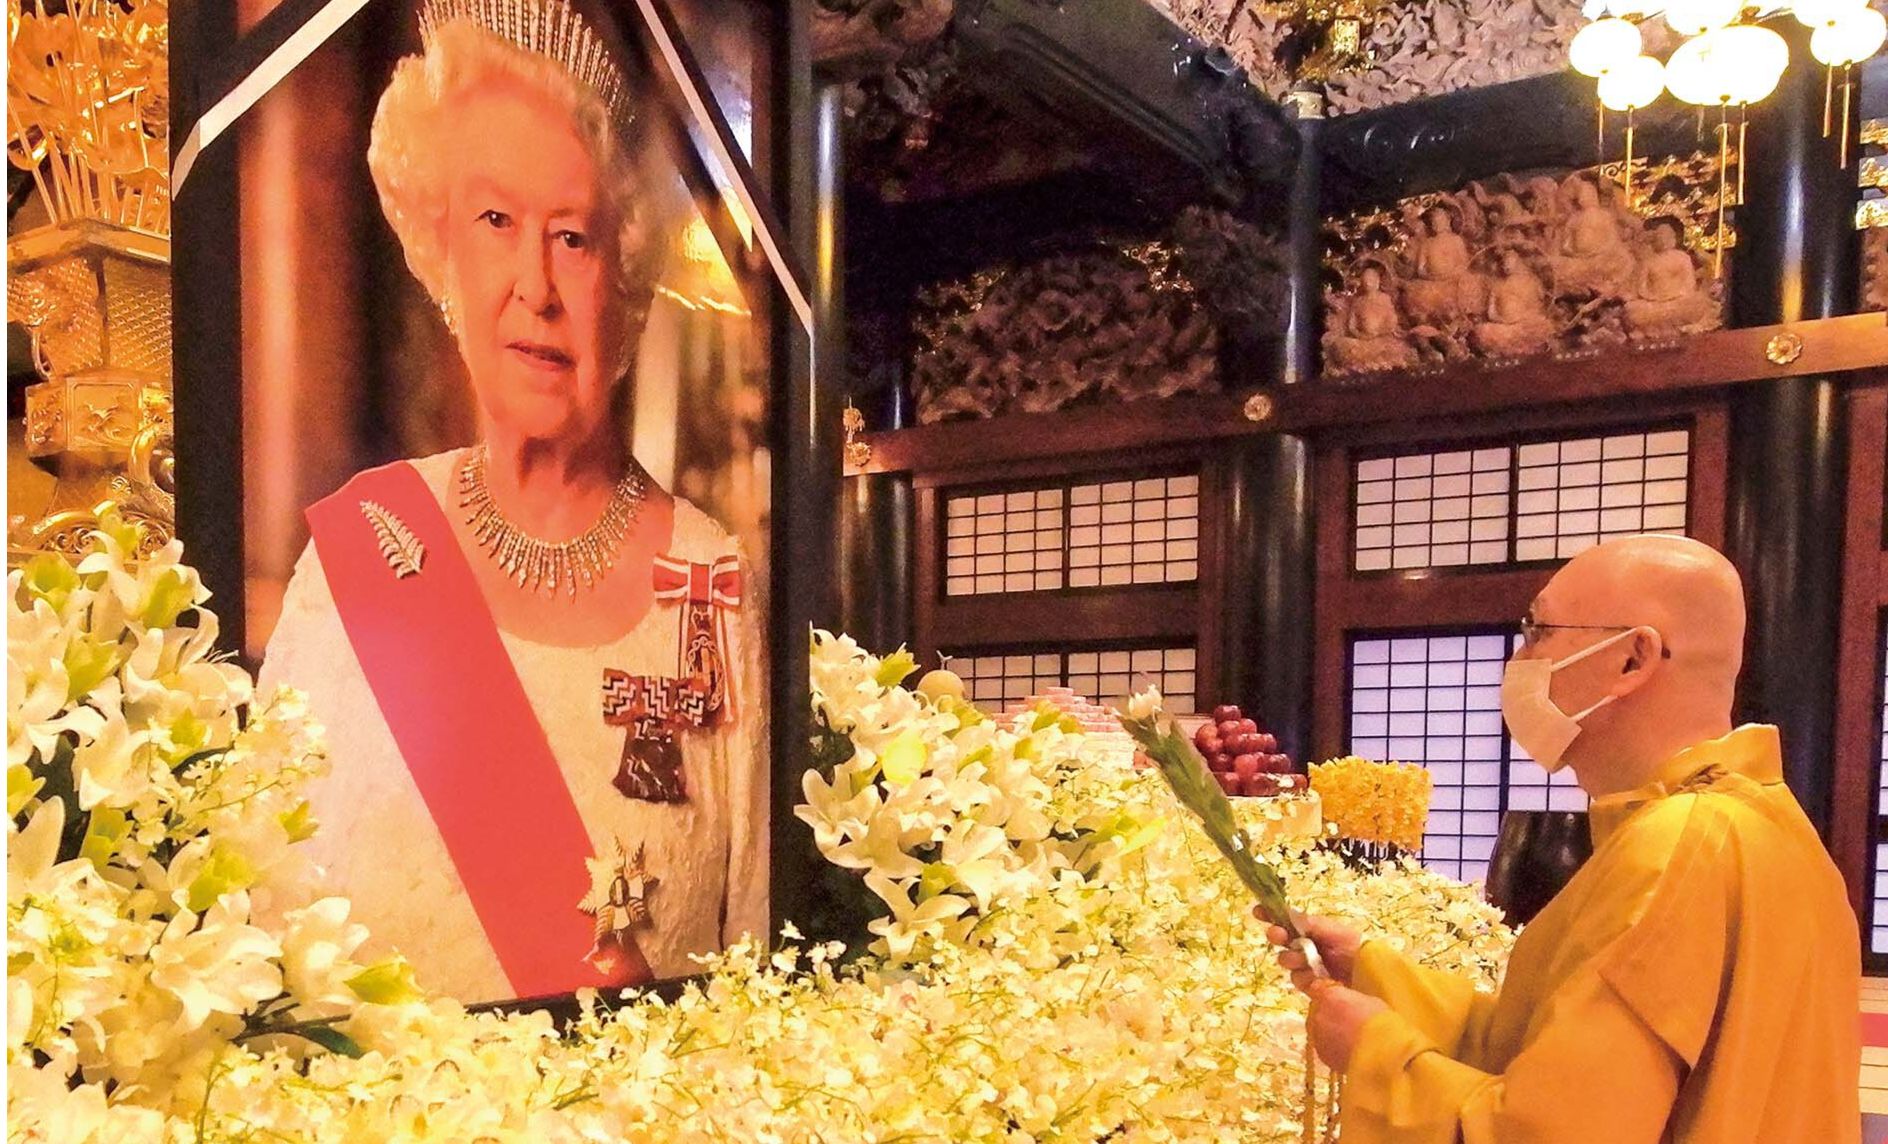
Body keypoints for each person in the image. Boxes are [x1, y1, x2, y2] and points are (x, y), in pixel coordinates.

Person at [259, 0, 768, 1003]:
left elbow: (753, 943)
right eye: (495, 222)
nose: (536, 284)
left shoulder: (707, 576)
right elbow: (266, 915)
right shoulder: (364, 545)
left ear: (622, 278)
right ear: (441, 252)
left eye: (572, 237)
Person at [1266, 534, 1860, 1142]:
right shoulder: (1771, 826)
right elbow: (1536, 1048)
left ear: (1632, 659)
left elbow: (1552, 1130)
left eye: (1538, 631)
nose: (1520, 658)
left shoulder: (1679, 846)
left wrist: (1372, 1052)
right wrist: (1371, 969)